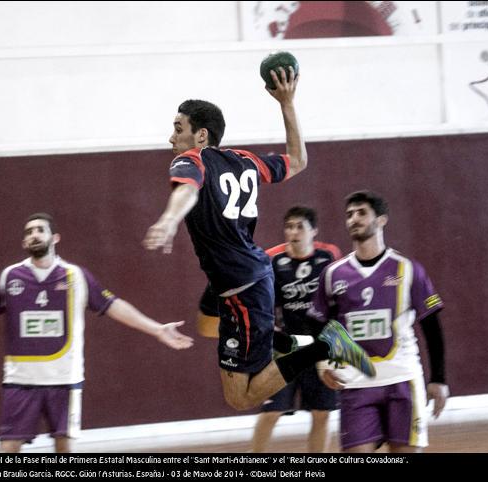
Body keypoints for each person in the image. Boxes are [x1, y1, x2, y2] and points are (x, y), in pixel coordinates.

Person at [142, 67, 375, 411]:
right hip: (243, 277)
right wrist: (287, 103)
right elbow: (298, 161)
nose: (171, 138)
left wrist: (169, 219)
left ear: (201, 136)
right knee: (206, 323)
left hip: (242, 287)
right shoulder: (245, 160)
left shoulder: (190, 160)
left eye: (178, 129)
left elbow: (187, 191)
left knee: (241, 396)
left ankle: (322, 346)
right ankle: (303, 342)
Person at [0, 213, 193, 453]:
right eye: (28, 232)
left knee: (64, 448)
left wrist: (156, 329)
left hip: (65, 380)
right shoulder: (10, 276)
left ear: (55, 238)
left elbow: (113, 306)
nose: (33, 235)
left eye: (39, 230)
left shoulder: (76, 276)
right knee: (8, 447)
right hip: (20, 380)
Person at [308, 191, 450, 453]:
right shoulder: (333, 274)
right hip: (356, 384)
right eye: (349, 214)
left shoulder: (407, 269)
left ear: (381, 220)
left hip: (403, 379)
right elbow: (318, 323)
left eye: (362, 213)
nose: (354, 219)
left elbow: (432, 326)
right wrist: (323, 363)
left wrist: (438, 378)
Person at [252, 206, 342, 453]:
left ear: (313, 231)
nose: (293, 232)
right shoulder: (272, 259)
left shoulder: (329, 256)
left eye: (300, 227)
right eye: (289, 227)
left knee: (322, 413)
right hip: (286, 348)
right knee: (272, 410)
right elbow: (262, 303)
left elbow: (337, 302)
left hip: (320, 348)